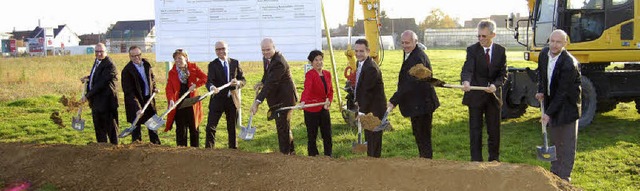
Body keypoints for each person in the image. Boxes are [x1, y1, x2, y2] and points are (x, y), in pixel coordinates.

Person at [535, 29, 581, 182]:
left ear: (565, 44)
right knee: (555, 142)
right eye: (552, 41)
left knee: (567, 143)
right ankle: (554, 175)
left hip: (568, 106)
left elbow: (562, 93)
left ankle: (565, 178)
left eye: (558, 42)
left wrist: (548, 114)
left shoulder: (569, 63)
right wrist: (541, 91)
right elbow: (541, 75)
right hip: (552, 103)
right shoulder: (543, 54)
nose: (554, 45)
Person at [387, 30, 440, 159]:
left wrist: (393, 101)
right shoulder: (410, 53)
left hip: (422, 104)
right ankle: (424, 160)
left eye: (408, 43)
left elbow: (409, 84)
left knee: (423, 137)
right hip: (417, 103)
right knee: (419, 135)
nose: (405, 46)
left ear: (416, 42)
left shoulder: (418, 58)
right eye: (403, 43)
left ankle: (426, 163)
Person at [460, 19, 507, 162]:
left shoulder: (500, 51)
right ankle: (476, 161)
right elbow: (468, 68)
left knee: (494, 131)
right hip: (475, 97)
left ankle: (494, 160)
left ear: (493, 35)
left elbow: (503, 74)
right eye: (478, 36)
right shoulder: (472, 50)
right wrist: (466, 81)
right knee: (475, 131)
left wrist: (495, 85)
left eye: (484, 36)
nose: (481, 39)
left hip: (493, 97)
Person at [250, 38, 298, 155]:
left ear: (274, 48)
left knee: (282, 127)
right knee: (284, 126)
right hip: (277, 98)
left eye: (268, 49)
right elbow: (267, 74)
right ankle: (290, 152)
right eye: (263, 50)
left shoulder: (279, 62)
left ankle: (284, 155)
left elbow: (271, 83)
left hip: (285, 99)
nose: (265, 52)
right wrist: (262, 82)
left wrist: (257, 102)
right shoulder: (267, 58)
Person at [205, 41, 246, 149]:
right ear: (215, 51)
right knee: (210, 127)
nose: (221, 51)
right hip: (217, 100)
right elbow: (209, 81)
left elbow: (243, 80)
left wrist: (237, 83)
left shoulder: (235, 63)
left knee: (231, 127)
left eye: (223, 48)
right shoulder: (212, 65)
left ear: (227, 49)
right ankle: (209, 150)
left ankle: (233, 151)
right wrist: (212, 87)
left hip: (231, 100)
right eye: (218, 49)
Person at [164, 49, 208, 147]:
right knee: (181, 129)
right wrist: (171, 99)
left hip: (192, 103)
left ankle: (195, 151)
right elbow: (169, 88)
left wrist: (195, 85)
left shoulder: (193, 67)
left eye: (180, 58)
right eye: (175, 59)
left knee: (194, 128)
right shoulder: (172, 72)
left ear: (186, 58)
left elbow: (205, 78)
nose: (177, 61)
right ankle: (181, 152)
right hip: (179, 103)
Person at [353, 39, 386, 158]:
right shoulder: (360, 63)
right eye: (356, 51)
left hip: (375, 110)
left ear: (368, 51)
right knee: (369, 139)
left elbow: (368, 92)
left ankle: (375, 166)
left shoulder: (371, 68)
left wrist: (361, 112)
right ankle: (370, 163)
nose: (358, 54)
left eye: (361, 51)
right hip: (367, 107)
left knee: (374, 140)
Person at [80, 43, 119, 144]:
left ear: (106, 52)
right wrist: (88, 78)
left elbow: (101, 83)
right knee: (99, 128)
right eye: (97, 52)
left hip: (107, 102)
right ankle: (102, 151)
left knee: (111, 129)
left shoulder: (110, 65)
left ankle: (115, 151)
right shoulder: (97, 61)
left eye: (101, 51)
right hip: (96, 102)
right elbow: (97, 76)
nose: (99, 54)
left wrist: (87, 96)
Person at [121, 45, 161, 144]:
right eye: (133, 56)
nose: (136, 58)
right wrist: (137, 108)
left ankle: (156, 149)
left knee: (153, 128)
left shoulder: (146, 64)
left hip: (149, 100)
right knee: (136, 131)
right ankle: (136, 152)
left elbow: (151, 78)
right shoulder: (127, 71)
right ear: (130, 57)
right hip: (135, 103)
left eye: (138, 55)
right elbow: (129, 92)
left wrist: (154, 88)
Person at [299, 50, 333, 157]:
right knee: (312, 135)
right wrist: (303, 101)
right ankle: (313, 157)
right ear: (311, 63)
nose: (319, 62)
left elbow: (330, 91)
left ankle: (328, 156)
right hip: (311, 110)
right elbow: (307, 89)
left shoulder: (327, 74)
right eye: (316, 60)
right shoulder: (310, 75)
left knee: (327, 134)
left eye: (320, 59)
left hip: (324, 108)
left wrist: (329, 101)